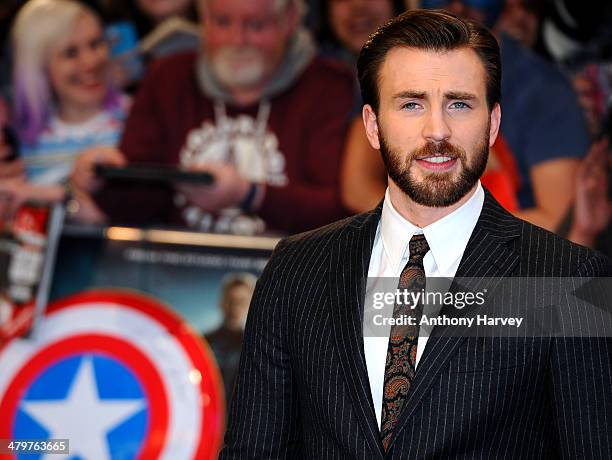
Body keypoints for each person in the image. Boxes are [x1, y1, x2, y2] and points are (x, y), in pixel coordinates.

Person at [220, 10, 612, 458]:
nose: (437, 130)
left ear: (494, 123)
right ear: (372, 125)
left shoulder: (569, 281)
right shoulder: (296, 269)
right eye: (411, 103)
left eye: (459, 103)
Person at [73, 0, 354, 235]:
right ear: (203, 20)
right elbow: (141, 203)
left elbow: (345, 214)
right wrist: (101, 181)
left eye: (256, 25)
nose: (237, 39)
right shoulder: (167, 78)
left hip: (295, 278)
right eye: (222, 22)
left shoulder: (331, 86)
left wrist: (249, 195)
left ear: (290, 20)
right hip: (180, 276)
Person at [0, 0, 130, 224]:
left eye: (96, 44)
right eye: (70, 53)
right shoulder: (18, 142)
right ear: (38, 67)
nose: (90, 61)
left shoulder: (138, 119)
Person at [205, 273, 256, 406]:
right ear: (222, 302)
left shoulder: (256, 347)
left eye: (242, 301)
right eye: (231, 300)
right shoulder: (204, 343)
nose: (235, 306)